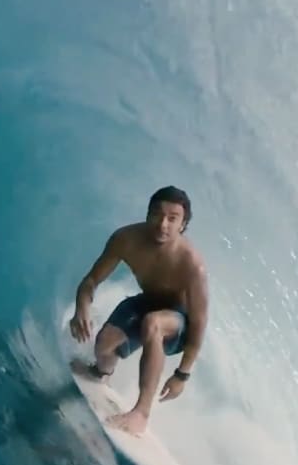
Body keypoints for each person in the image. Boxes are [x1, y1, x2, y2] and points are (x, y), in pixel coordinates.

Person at [69, 186, 209, 436]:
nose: (163, 224)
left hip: (179, 322)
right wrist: (81, 307)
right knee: (104, 345)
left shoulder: (191, 264)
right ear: (148, 214)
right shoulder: (126, 239)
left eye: (172, 218)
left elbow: (199, 322)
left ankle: (141, 413)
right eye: (157, 214)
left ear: (183, 225)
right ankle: (102, 374)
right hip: (146, 303)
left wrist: (182, 375)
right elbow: (91, 281)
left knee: (153, 323)